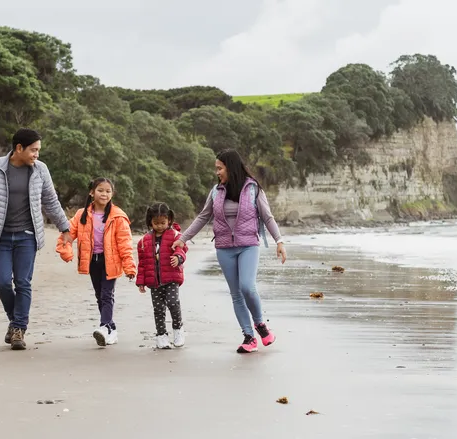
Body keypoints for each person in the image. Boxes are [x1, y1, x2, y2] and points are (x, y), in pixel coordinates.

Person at [0, 128, 73, 351]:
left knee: (23, 282)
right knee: (2, 282)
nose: (37, 155)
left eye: (38, 150)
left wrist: (65, 227)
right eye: (33, 150)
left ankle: (18, 329)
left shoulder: (40, 170)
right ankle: (16, 320)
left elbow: (51, 201)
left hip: (27, 236)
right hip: (1, 236)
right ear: (19, 148)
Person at [173, 149, 287, 354]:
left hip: (248, 245)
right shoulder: (216, 192)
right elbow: (202, 217)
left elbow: (267, 217)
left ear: (230, 167)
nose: (217, 172)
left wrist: (279, 241)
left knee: (247, 287)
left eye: (220, 168)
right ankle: (249, 336)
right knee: (236, 294)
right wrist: (183, 238)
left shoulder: (253, 189)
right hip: (224, 248)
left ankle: (260, 325)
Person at [56, 177, 136, 347]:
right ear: (92, 192)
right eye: (100, 190)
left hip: (111, 262)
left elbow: (125, 244)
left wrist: (129, 266)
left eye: (108, 191)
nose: (104, 194)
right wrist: (66, 251)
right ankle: (111, 329)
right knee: (100, 296)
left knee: (107, 295)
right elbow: (67, 235)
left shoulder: (118, 217)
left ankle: (104, 326)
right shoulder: (81, 215)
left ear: (112, 194)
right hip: (92, 261)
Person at [135, 203, 188, 349]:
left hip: (171, 277)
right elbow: (142, 262)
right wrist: (141, 281)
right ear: (150, 222)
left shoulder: (175, 236)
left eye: (163, 223)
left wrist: (178, 257)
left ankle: (178, 329)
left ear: (169, 220)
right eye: (156, 223)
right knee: (158, 309)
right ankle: (161, 336)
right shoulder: (144, 241)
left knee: (172, 302)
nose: (159, 226)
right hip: (154, 281)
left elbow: (182, 249)